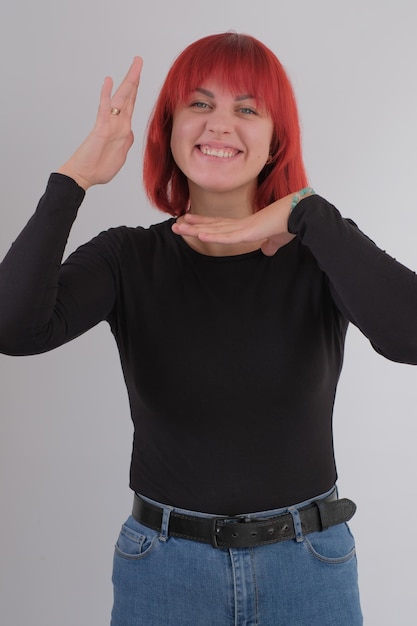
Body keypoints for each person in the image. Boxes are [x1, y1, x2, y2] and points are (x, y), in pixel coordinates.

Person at [1, 32, 417, 626]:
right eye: (200, 104)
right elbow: (14, 328)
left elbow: (410, 335)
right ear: (169, 127)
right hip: (165, 571)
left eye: (247, 109)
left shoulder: (319, 250)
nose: (221, 123)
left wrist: (309, 213)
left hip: (309, 570)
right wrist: (76, 176)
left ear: (275, 140)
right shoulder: (127, 258)